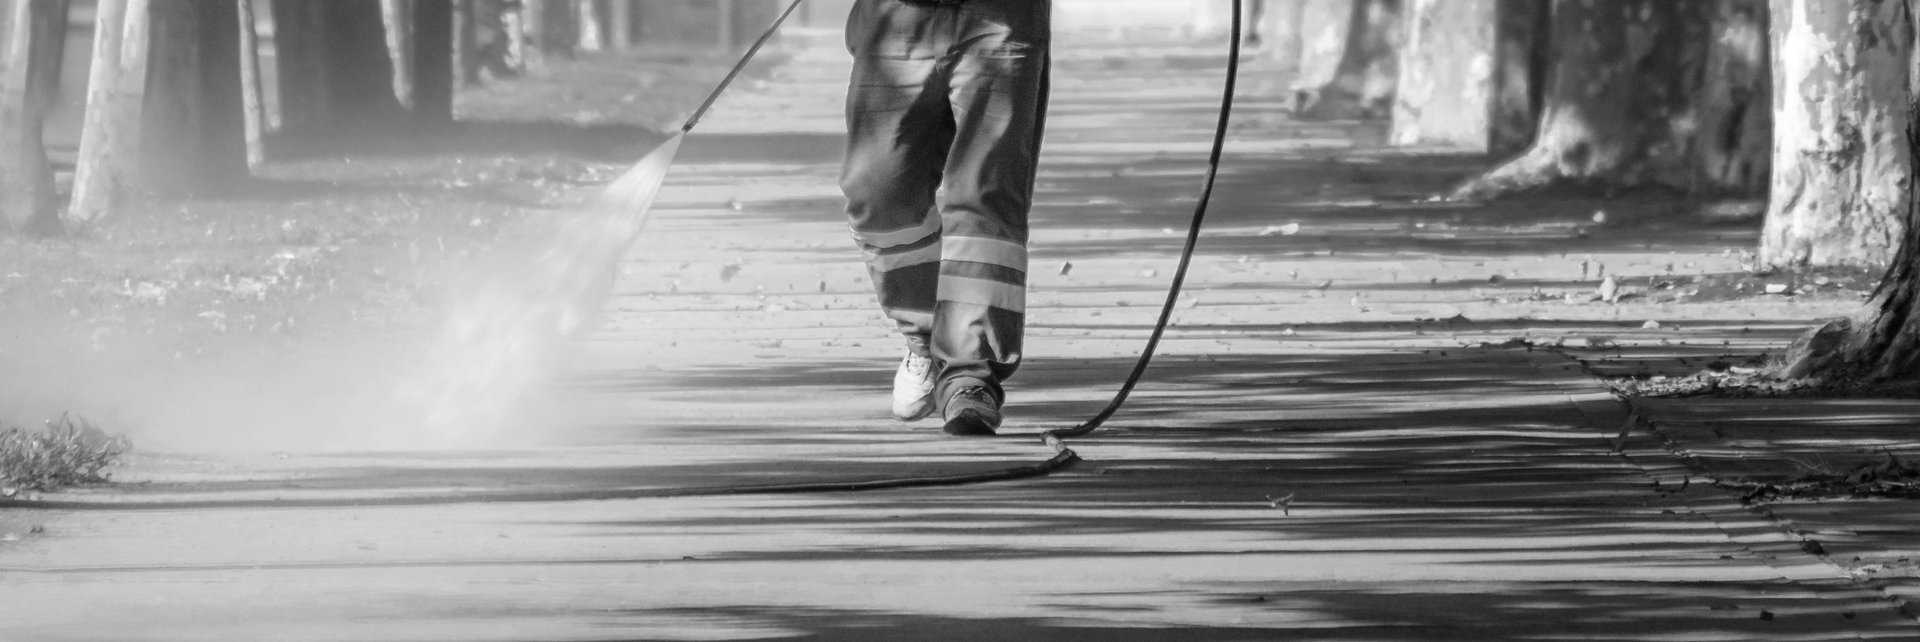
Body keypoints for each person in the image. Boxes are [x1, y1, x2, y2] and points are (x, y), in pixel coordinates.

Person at [839, 0, 1051, 436]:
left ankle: (971, 372)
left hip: (1001, 18)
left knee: (985, 194)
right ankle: (926, 334)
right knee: (877, 191)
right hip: (896, 18)